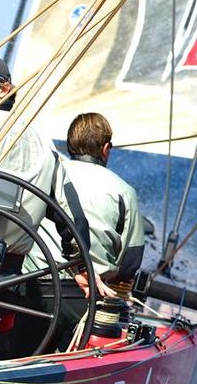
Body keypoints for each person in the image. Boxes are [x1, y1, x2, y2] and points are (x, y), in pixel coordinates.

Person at [0, 56, 105, 355]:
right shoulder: (43, 142)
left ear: (4, 90)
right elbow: (68, 213)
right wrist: (78, 263)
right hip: (10, 271)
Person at [62, 112, 145, 284]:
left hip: (33, 282)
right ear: (106, 149)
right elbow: (130, 263)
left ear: (69, 144)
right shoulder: (125, 192)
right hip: (87, 292)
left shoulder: (51, 171)